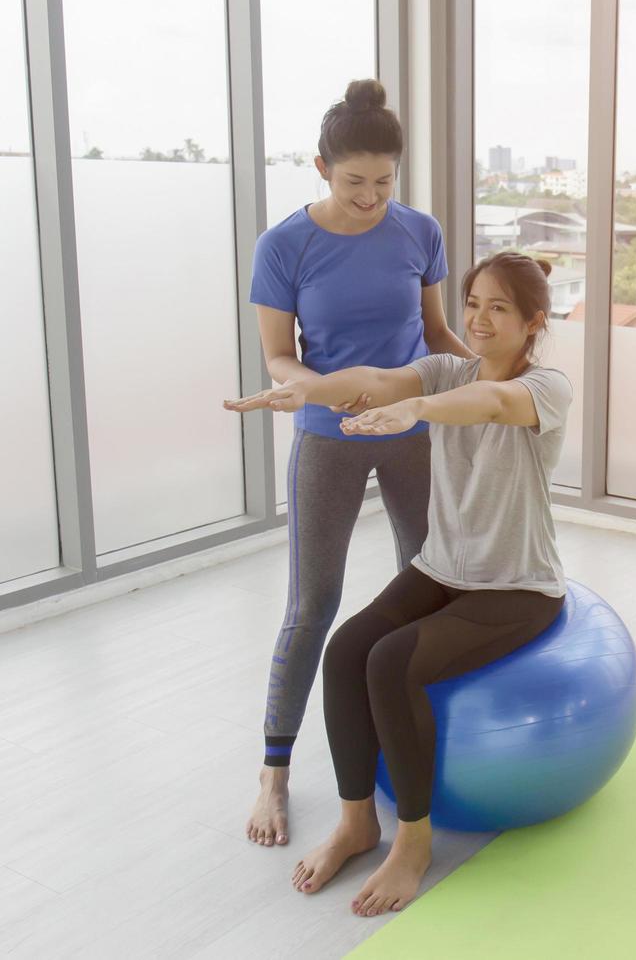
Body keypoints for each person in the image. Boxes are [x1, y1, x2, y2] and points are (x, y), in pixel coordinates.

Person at [225, 252, 572, 916]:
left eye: (499, 308)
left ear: (532, 323)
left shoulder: (545, 387)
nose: (478, 318)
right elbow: (379, 378)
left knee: (391, 663)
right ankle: (358, 821)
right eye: (472, 303)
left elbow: (493, 404)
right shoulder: (447, 369)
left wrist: (418, 407)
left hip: (516, 587)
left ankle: (413, 843)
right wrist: (311, 389)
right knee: (346, 650)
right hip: (442, 568)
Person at [239, 78, 473, 848]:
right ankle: (275, 773)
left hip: (410, 430)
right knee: (313, 605)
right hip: (329, 437)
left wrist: (499, 378)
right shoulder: (284, 246)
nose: (372, 198)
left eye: (384, 182)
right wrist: (314, 393)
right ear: (320, 167)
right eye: (354, 183)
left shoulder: (419, 232)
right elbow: (280, 356)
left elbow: (436, 335)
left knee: (429, 586)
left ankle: (422, 745)